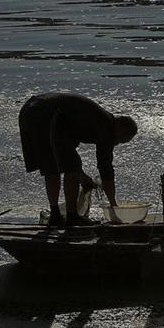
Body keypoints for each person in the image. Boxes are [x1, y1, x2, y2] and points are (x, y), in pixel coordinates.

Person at [18, 92, 137, 227]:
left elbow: (65, 155)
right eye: (121, 140)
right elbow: (105, 169)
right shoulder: (107, 127)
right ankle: (71, 216)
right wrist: (113, 205)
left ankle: (56, 215)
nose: (116, 144)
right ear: (121, 129)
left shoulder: (93, 121)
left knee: (54, 165)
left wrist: (83, 179)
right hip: (45, 113)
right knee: (62, 166)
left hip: (30, 110)